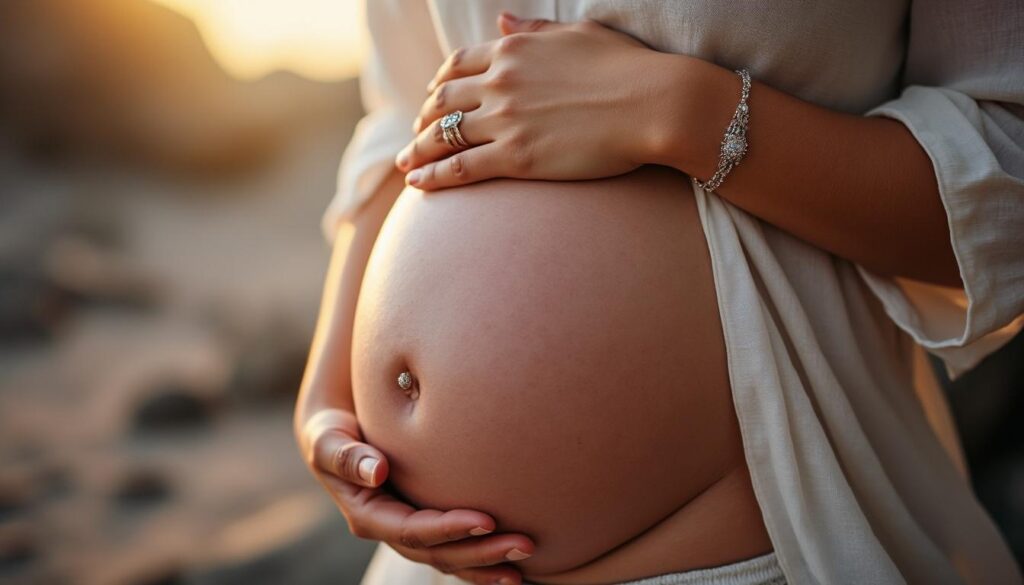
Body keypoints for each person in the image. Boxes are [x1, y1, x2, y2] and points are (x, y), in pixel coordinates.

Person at [295, 1, 1024, 584]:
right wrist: (325, 392)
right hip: (428, 561)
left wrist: (678, 111)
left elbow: (1004, 186)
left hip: (734, 548)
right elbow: (404, 112)